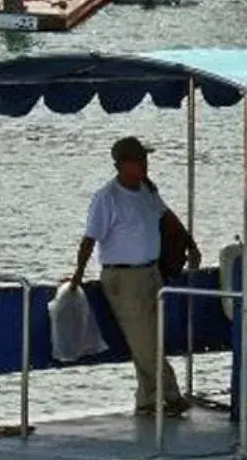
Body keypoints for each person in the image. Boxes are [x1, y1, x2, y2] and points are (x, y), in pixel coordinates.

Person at [70, 136, 199, 416]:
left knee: (152, 338)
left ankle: (146, 400)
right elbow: (90, 239)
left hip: (151, 272)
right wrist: (77, 275)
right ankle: (171, 394)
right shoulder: (107, 198)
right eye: (138, 160)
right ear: (122, 165)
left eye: (145, 159)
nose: (144, 164)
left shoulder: (147, 191)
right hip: (124, 277)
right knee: (144, 340)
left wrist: (189, 243)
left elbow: (167, 217)